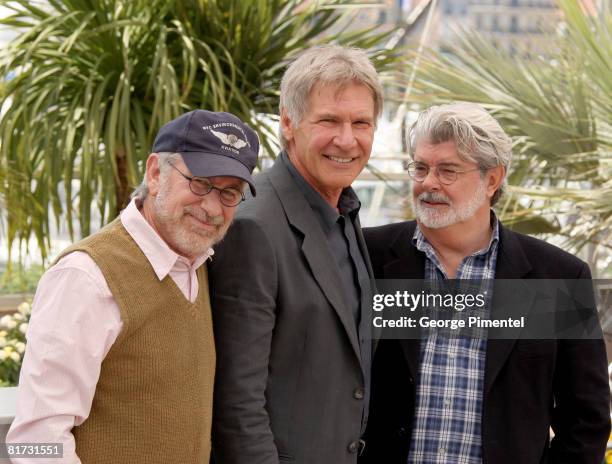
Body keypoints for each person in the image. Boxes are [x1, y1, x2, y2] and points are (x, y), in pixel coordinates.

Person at [361, 102, 611, 464]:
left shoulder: (557, 277)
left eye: (447, 171)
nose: (428, 183)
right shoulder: (368, 255)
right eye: (420, 167)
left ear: (492, 179)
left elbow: (586, 420)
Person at [7, 110, 259, 463]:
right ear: (156, 173)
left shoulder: (199, 261)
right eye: (201, 183)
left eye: (230, 193)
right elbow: (33, 441)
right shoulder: (86, 277)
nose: (213, 207)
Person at [208, 45, 383, 464]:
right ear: (288, 123)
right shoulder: (253, 226)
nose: (347, 139)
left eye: (361, 123)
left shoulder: (344, 211)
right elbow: (237, 402)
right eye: (329, 120)